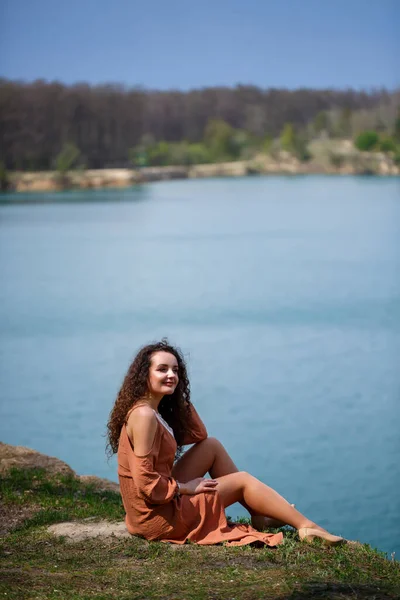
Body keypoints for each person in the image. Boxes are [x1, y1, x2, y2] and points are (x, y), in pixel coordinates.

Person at [106, 340, 345, 547]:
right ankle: (306, 526)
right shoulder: (144, 416)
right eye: (162, 369)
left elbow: (199, 434)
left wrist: (178, 398)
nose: (172, 375)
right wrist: (185, 487)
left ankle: (259, 514)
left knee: (211, 446)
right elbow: (146, 482)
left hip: (151, 509)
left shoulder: (152, 410)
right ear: (144, 375)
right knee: (242, 480)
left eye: (176, 370)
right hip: (157, 518)